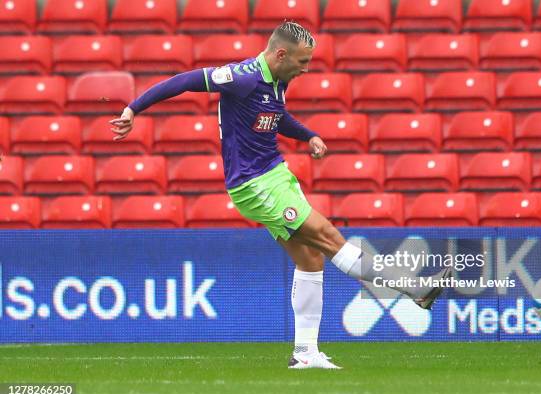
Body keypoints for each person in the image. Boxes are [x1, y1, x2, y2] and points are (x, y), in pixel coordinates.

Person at [110, 21, 450, 370]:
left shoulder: (278, 81)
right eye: (303, 62)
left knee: (311, 260)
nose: (307, 68)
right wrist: (133, 109)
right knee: (329, 237)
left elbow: (275, 115)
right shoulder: (242, 77)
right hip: (253, 184)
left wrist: (308, 135)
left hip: (276, 174)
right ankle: (414, 288)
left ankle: (305, 354)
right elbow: (183, 81)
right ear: (281, 53)